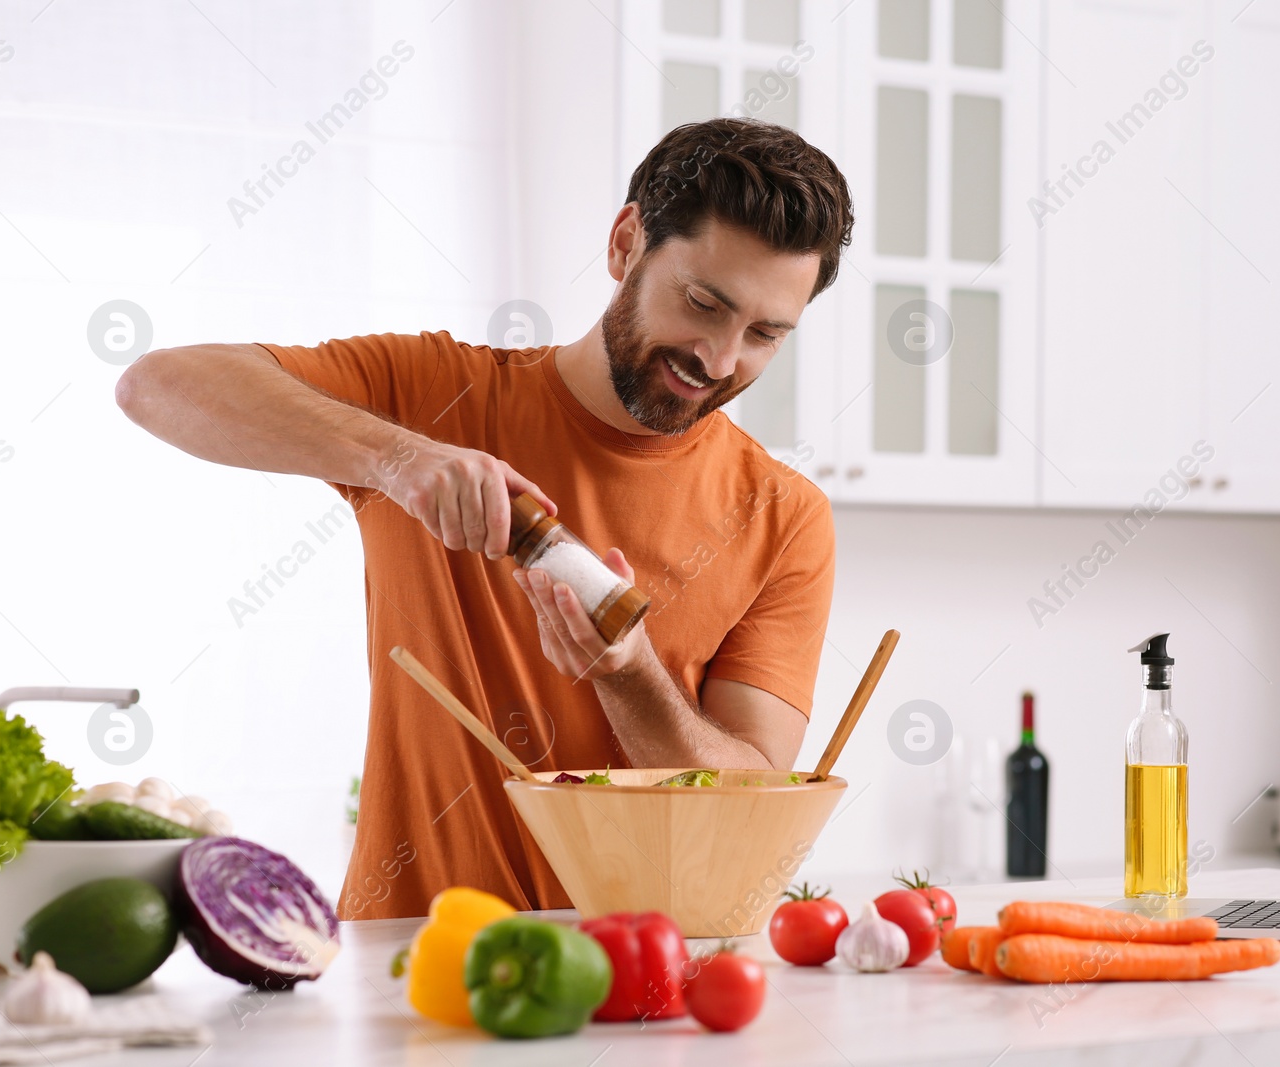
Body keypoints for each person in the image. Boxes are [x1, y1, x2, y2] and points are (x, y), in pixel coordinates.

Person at [116, 118, 855, 918]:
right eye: (703, 302)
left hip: (648, 981)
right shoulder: (435, 397)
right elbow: (156, 386)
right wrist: (396, 460)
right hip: (414, 970)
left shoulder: (784, 517)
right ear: (625, 243)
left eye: (764, 335)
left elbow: (749, 805)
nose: (718, 358)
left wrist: (630, 675)